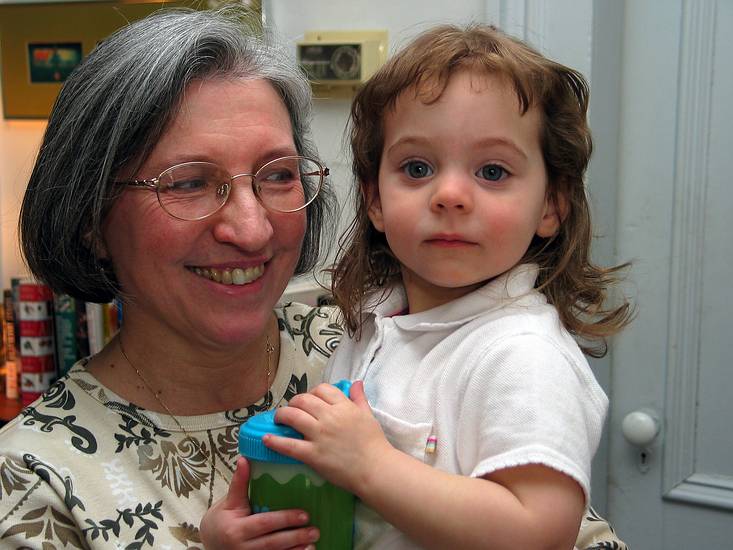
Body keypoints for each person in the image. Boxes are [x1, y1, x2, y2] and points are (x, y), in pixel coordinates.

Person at [200, 23, 633, 550]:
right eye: (417, 167)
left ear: (551, 205)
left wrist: (371, 465)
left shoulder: (524, 354)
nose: (450, 194)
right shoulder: (370, 327)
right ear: (375, 199)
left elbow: (537, 533)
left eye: (493, 171)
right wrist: (243, 530)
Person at [0, 8, 335, 549]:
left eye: (278, 175)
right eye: (188, 184)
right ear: (91, 219)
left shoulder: (371, 348)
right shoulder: (34, 485)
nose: (251, 230)